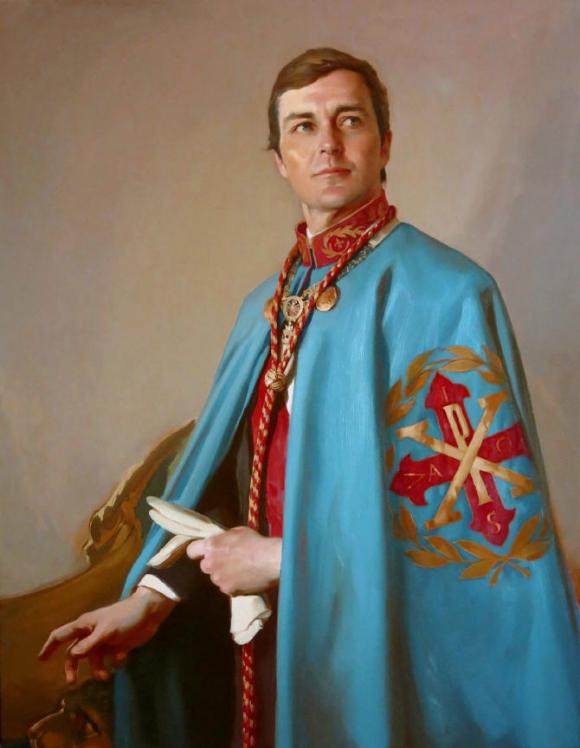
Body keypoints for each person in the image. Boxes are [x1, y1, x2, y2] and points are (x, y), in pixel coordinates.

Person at [40, 48, 578, 748]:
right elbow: (225, 488)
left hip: (379, 656)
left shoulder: (448, 294)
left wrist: (281, 559)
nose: (327, 143)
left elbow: (480, 530)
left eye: (348, 120)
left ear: (385, 144)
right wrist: (152, 596)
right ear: (280, 161)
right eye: (302, 126)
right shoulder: (261, 309)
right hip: (264, 653)